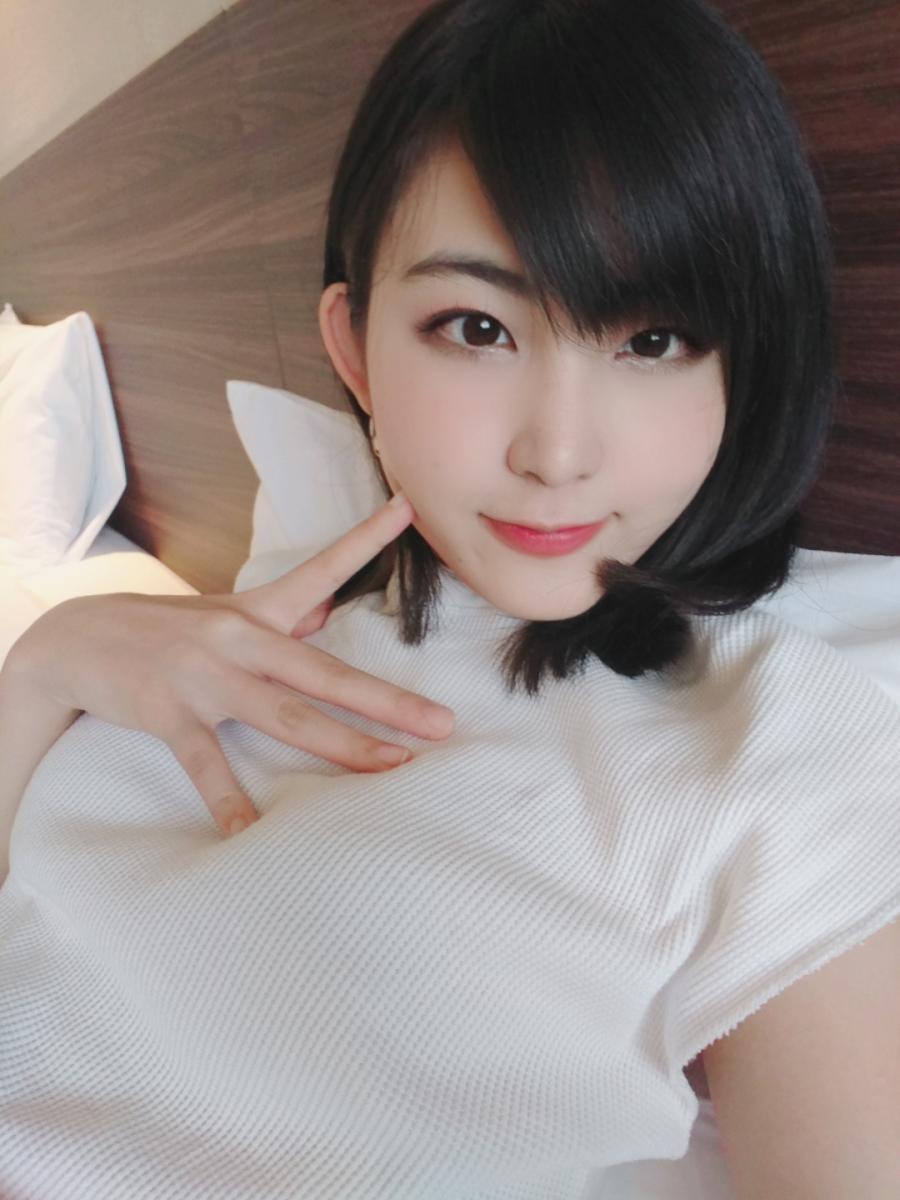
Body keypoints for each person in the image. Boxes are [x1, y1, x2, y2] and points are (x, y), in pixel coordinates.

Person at [1, 1, 897, 1197]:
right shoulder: (217, 634)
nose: (557, 453)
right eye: (475, 327)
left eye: (655, 340)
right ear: (355, 349)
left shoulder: (779, 741)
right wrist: (43, 665)